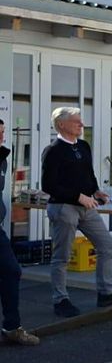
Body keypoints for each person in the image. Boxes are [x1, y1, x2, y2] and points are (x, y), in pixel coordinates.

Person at [41, 107, 112, 317]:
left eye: (80, 121)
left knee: (107, 244)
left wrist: (95, 190)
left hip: (86, 205)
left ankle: (106, 292)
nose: (81, 125)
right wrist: (78, 196)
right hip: (64, 207)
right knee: (62, 255)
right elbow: (49, 185)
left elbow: (88, 174)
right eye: (76, 121)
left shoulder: (83, 146)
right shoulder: (53, 150)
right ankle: (60, 299)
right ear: (62, 124)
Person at [0, 119, 39, 344]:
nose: (2, 137)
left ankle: (12, 328)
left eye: (3, 132)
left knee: (12, 271)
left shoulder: (3, 158)